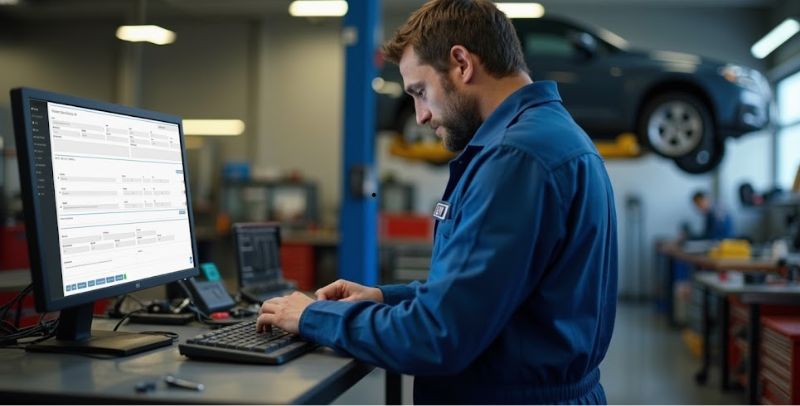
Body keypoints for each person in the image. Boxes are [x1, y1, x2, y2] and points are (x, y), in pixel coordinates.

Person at [256, 0, 618, 403]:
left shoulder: (515, 158)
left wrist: (312, 317)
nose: (421, 116)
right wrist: (384, 297)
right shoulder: (547, 137)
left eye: (420, 92)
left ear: (461, 63)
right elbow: (492, 297)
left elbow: (437, 336)